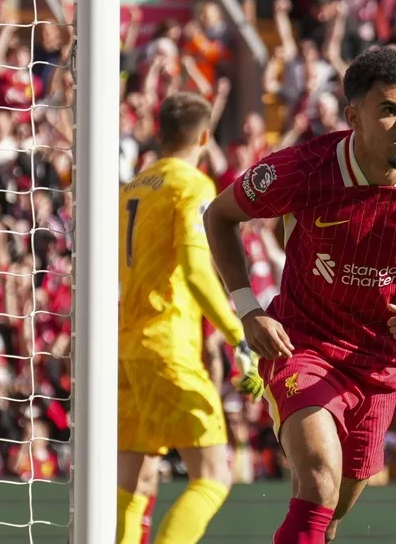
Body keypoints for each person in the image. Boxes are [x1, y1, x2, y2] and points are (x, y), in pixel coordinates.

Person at [202, 46, 396, 544]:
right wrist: (248, 309)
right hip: (303, 344)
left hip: (380, 363)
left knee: (330, 514)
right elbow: (219, 216)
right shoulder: (304, 168)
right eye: (389, 110)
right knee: (318, 483)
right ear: (354, 115)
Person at [117, 92, 262, 544]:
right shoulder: (193, 185)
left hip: (125, 349)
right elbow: (198, 271)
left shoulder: (132, 186)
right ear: (204, 136)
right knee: (213, 475)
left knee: (132, 484)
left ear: (159, 132)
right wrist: (240, 333)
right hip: (167, 346)